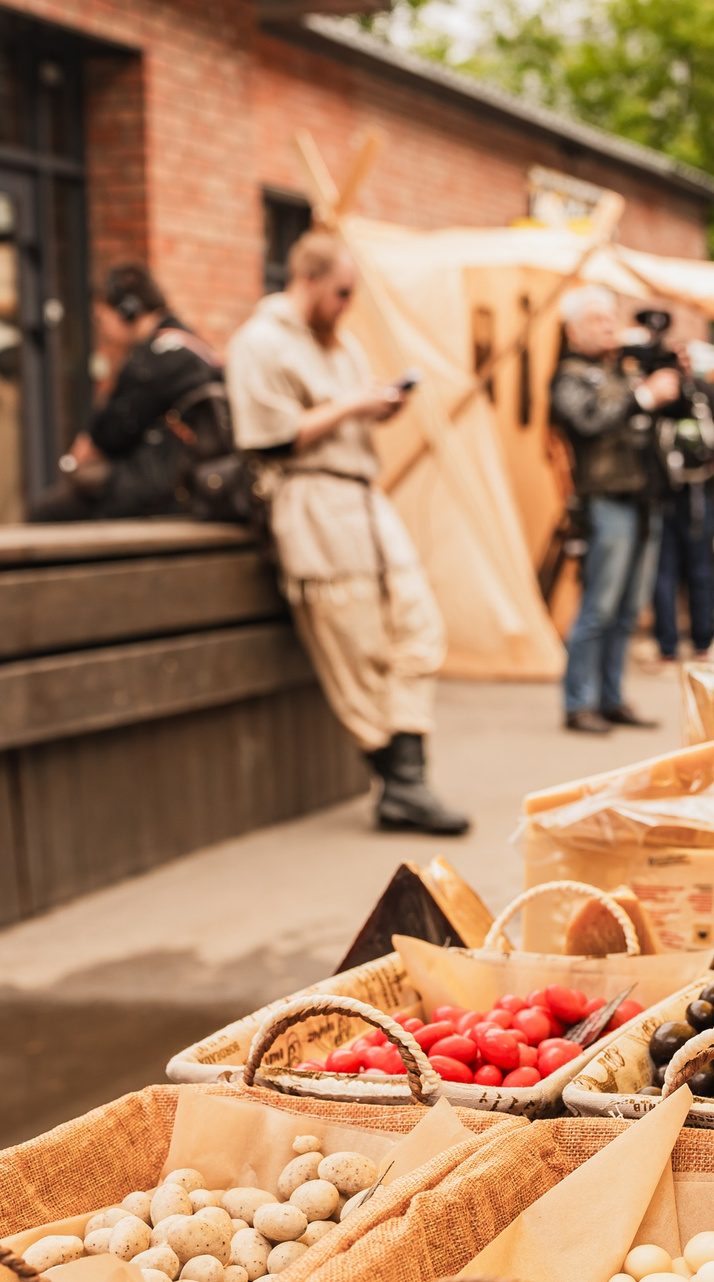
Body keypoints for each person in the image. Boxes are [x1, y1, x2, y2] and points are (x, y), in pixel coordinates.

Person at [228, 231, 467, 835]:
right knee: (356, 646)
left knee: (419, 628)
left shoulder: (341, 343)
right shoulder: (259, 342)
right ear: (307, 280)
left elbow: (346, 411)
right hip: (310, 500)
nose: (347, 304)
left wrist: (380, 405)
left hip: (364, 499)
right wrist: (352, 405)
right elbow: (269, 437)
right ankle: (401, 786)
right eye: (340, 291)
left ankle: (407, 779)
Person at [552, 286, 680, 733]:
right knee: (599, 606)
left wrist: (663, 369)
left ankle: (610, 697)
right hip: (605, 502)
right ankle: (578, 701)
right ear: (573, 331)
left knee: (628, 610)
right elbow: (588, 422)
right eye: (596, 320)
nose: (608, 326)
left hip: (644, 499)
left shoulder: (624, 371)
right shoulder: (571, 376)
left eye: (611, 318)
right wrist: (643, 397)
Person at [35, 264, 226, 524]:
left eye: (102, 319)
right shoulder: (189, 346)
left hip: (161, 492)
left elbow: (113, 432)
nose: (103, 330)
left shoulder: (155, 359)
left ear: (128, 310)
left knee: (46, 512)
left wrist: (87, 448)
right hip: (194, 485)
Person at [652, 343, 714, 664]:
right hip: (673, 493)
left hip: (692, 492)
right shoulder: (665, 393)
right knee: (671, 570)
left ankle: (693, 642)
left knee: (691, 570)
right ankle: (677, 644)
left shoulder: (698, 392)